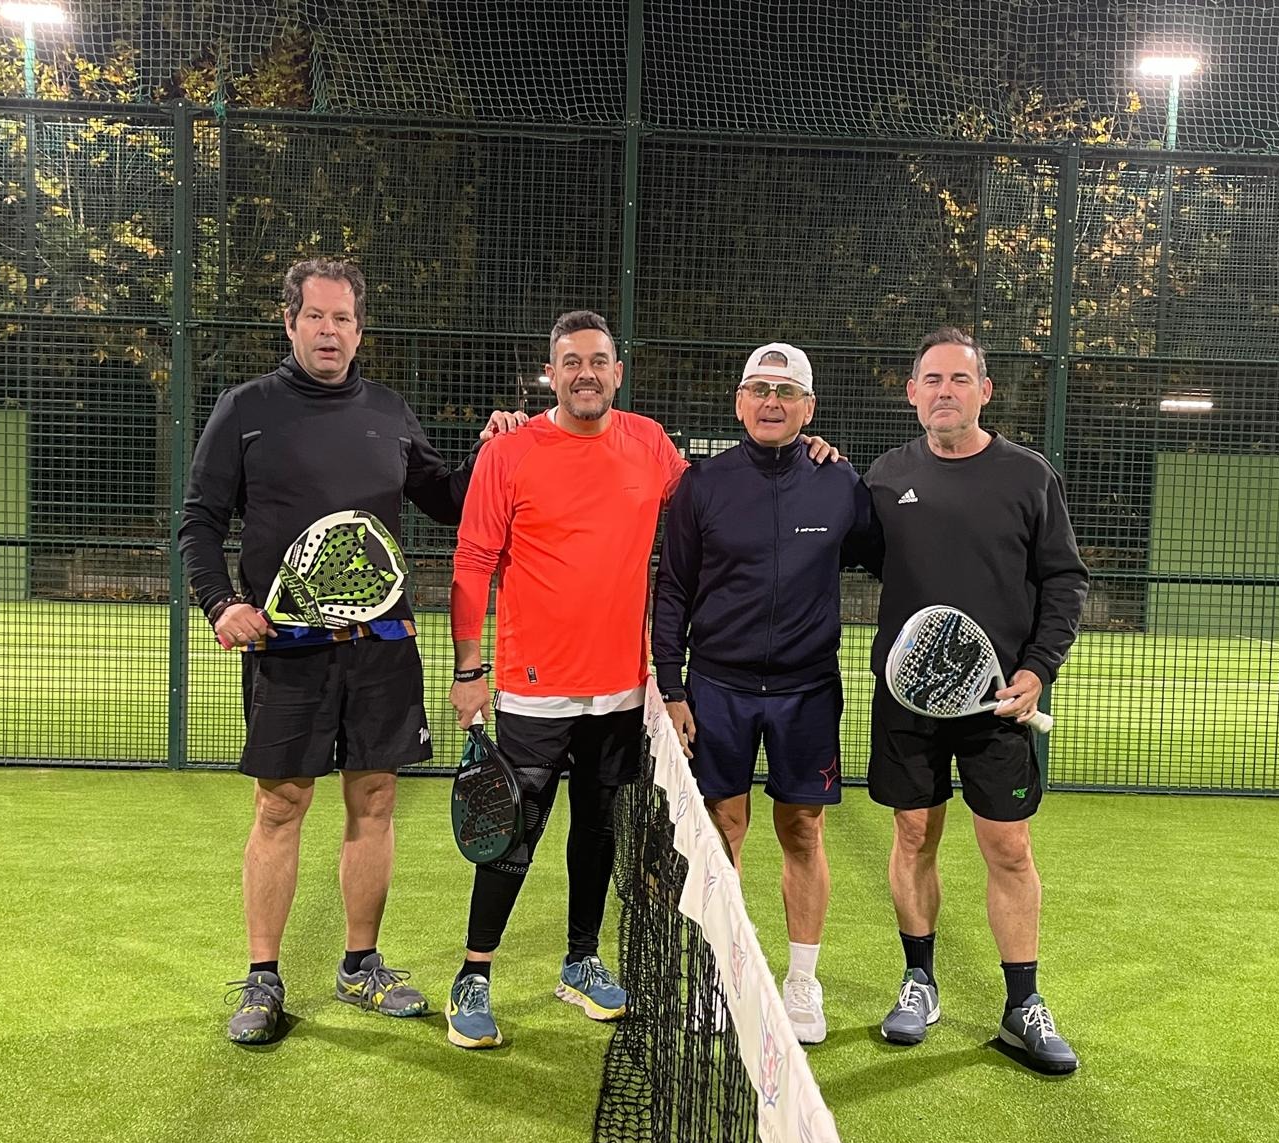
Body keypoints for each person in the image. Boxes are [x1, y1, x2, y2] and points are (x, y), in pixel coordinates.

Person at [445, 312, 842, 1050]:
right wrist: (470, 669)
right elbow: (471, 563)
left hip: (623, 689)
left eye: (598, 361)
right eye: (571, 362)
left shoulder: (650, 443)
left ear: (617, 373)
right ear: (552, 373)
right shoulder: (510, 452)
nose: (585, 374)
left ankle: (580, 962)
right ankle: (474, 974)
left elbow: (725, 495)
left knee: (598, 831)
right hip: (532, 686)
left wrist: (805, 455)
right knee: (513, 833)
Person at [179, 257, 524, 1045]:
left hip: (382, 649)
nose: (329, 331)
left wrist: (489, 453)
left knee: (374, 802)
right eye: (316, 316)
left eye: (343, 319)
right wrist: (221, 603)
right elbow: (199, 519)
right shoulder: (246, 410)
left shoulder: (389, 411)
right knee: (280, 806)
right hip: (288, 651)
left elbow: (447, 500)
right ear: (290, 322)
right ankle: (263, 979)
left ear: (359, 330)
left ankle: (360, 965)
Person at [862, 326, 1089, 1075]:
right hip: (909, 702)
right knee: (913, 835)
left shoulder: (1028, 476)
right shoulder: (885, 477)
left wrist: (1038, 670)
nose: (945, 391)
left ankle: (1022, 1005)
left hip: (998, 704)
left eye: (960, 379)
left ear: (985, 391)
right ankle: (919, 981)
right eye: (932, 379)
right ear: (912, 393)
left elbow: (1064, 580)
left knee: (1009, 847)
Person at [651, 343, 873, 1046]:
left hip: (808, 690)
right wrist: (671, 685)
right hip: (717, 687)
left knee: (802, 830)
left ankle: (802, 983)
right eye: (759, 390)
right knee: (722, 831)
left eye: (786, 392)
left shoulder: (839, 483)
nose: (771, 402)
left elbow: (887, 557)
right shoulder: (702, 485)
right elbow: (672, 590)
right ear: (739, 402)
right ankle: (721, 977)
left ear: (809, 409)